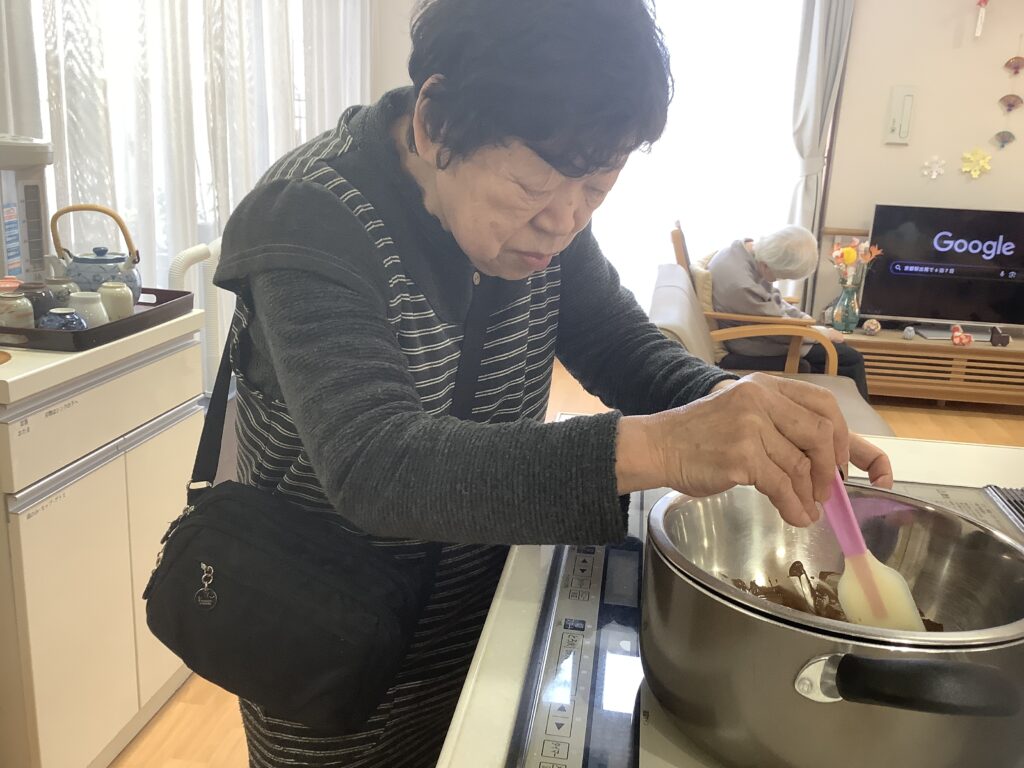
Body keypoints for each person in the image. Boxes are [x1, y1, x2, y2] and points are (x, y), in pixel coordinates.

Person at [214, 1, 892, 765]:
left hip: (487, 620)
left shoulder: (551, 199)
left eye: (596, 190)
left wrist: (732, 406)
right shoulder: (309, 218)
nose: (562, 223)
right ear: (435, 121)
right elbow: (378, 466)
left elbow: (615, 341)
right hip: (325, 655)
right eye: (533, 187)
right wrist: (667, 446)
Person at [707, 226, 872, 400]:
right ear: (768, 265)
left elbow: (773, 301)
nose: (779, 280)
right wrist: (821, 333)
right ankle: (855, 413)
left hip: (763, 331)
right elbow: (777, 329)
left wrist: (803, 319)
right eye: (782, 276)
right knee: (850, 359)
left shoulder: (745, 251)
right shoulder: (742, 287)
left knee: (834, 354)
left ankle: (834, 409)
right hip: (751, 341)